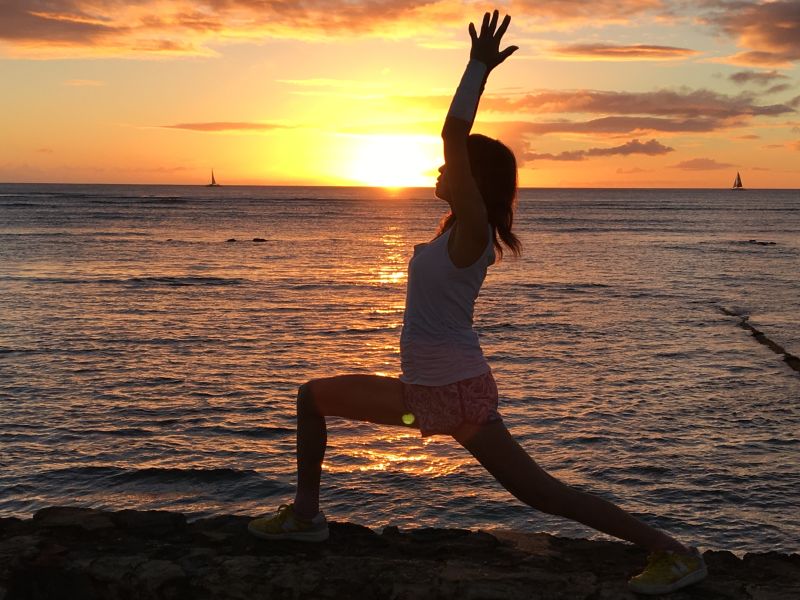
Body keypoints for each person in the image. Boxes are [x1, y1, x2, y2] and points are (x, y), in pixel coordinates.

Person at [248, 10, 708, 596]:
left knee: (544, 495)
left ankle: (674, 552)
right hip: (428, 394)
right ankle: (307, 518)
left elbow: (453, 137)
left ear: (473, 180)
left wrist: (476, 68)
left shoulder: (472, 230)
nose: (439, 170)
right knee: (312, 398)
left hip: (451, 394)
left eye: (452, 169)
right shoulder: (452, 233)